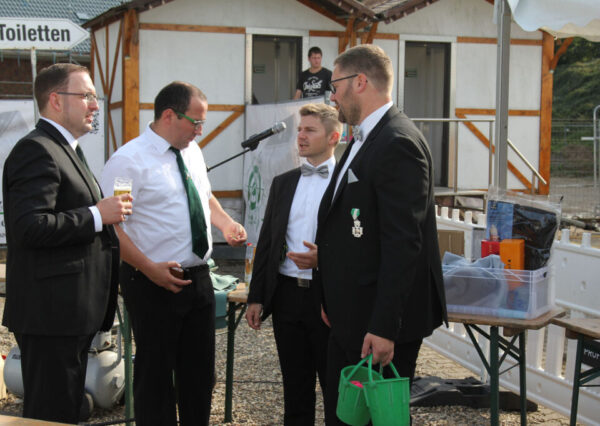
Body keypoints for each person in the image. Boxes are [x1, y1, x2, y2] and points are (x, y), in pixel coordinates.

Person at [314, 44, 447, 424]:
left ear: (360, 81)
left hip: (377, 324)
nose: (332, 96)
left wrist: (384, 327)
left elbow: (403, 243)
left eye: (335, 86)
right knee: (342, 416)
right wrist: (330, 297)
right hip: (351, 314)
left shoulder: (397, 142)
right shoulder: (366, 137)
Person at [100, 81, 247, 426]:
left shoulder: (191, 151)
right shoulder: (128, 161)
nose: (200, 130)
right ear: (169, 115)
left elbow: (204, 196)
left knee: (199, 374)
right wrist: (148, 268)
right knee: (155, 376)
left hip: (199, 277)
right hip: (151, 280)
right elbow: (112, 228)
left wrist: (226, 224)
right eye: (196, 122)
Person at [2, 63, 131, 423]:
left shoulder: (65, 148)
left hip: (69, 313)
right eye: (86, 96)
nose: (95, 105)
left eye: (95, 97)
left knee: (66, 409)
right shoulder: (37, 149)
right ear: (56, 100)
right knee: (50, 414)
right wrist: (96, 215)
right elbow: (30, 227)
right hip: (51, 315)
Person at [246, 103, 342, 425]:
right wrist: (256, 296)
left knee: (335, 390)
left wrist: (325, 259)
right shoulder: (283, 182)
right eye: (300, 129)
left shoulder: (348, 183)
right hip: (287, 296)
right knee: (295, 389)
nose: (301, 136)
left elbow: (359, 244)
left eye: (310, 130)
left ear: (333, 137)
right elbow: (268, 242)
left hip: (328, 297)